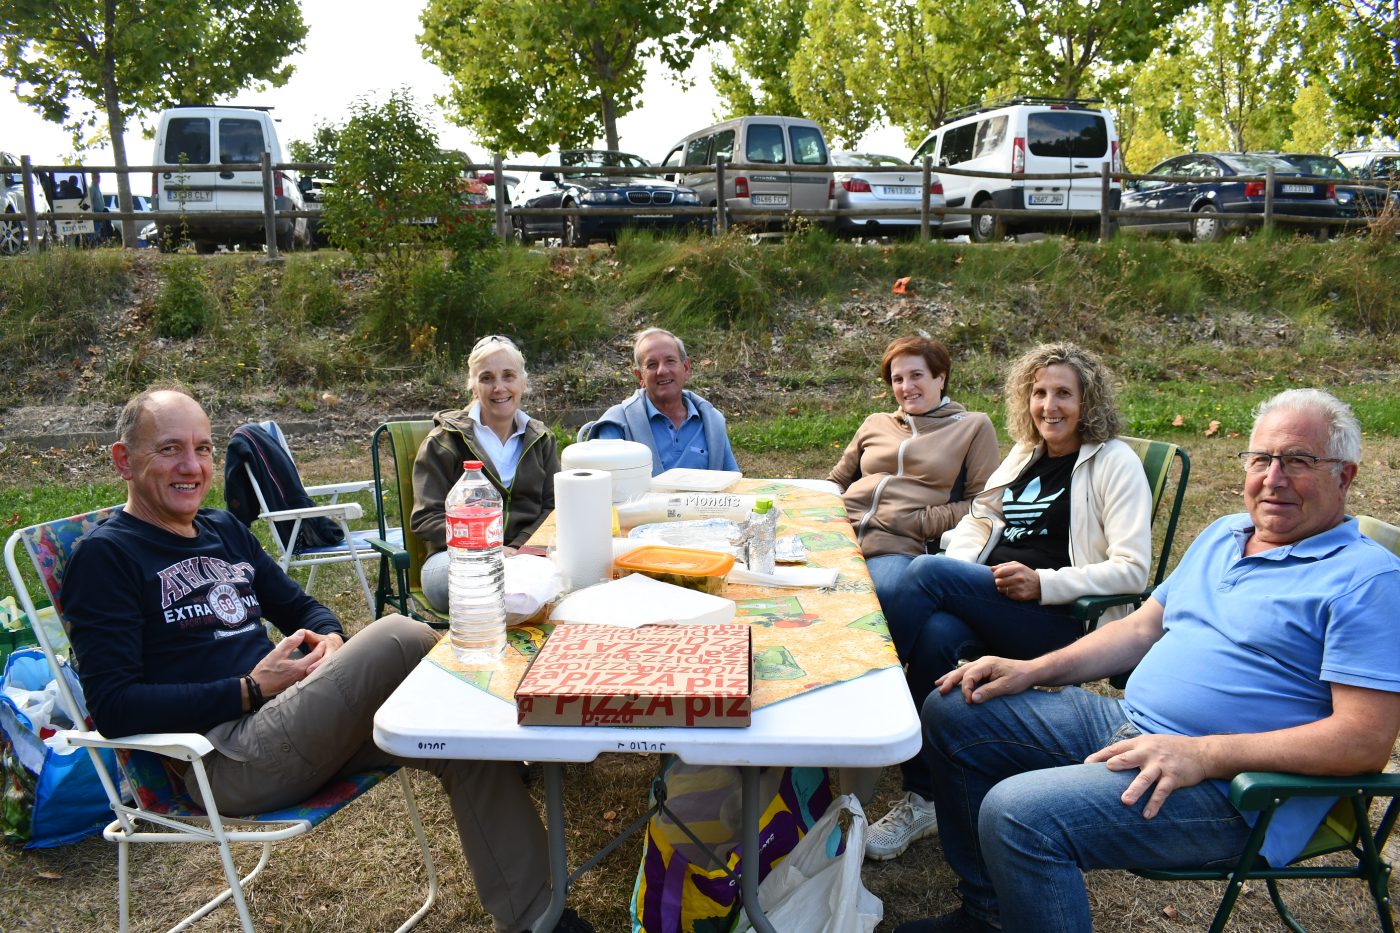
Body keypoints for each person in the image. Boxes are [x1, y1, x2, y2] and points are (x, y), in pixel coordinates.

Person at [62, 386, 592, 933]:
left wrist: (330, 638)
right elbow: (114, 707)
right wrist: (249, 689)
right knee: (400, 635)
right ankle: (528, 720)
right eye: (170, 449)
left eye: (203, 448)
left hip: (290, 720)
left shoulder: (221, 529)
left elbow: (303, 608)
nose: (192, 466)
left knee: (455, 735)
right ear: (123, 460)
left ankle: (540, 919)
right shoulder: (107, 557)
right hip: (226, 758)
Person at [896, 388, 1400, 933]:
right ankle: (992, 915)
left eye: (1298, 461)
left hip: (1236, 789)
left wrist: (1203, 755)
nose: (1273, 479)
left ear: (1344, 477)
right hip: (1133, 729)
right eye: (1261, 458)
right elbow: (1141, 628)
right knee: (955, 708)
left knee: (1017, 814)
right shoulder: (1226, 534)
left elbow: (1363, 741)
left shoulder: (1367, 582)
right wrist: (1030, 670)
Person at [868, 342, 1152, 861]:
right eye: (1039, 393)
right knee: (935, 636)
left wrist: (1043, 582)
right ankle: (924, 795)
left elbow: (1133, 568)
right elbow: (978, 520)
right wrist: (966, 574)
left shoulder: (1115, 463)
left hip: (1060, 621)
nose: (1049, 406)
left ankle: (868, 700)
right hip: (996, 597)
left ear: (1088, 401)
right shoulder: (1025, 454)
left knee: (925, 570)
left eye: (1064, 393)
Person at [828, 335, 1001, 603]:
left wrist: (917, 522)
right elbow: (835, 483)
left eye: (916, 375)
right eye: (898, 379)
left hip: (896, 548)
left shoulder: (972, 426)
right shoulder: (876, 422)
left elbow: (983, 505)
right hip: (838, 537)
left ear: (940, 378)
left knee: (879, 597)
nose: (907, 387)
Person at [412, 335, 561, 613]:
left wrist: (518, 549)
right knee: (484, 581)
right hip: (456, 560)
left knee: (578, 573)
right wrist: (490, 549)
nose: (499, 387)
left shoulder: (541, 439)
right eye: (487, 378)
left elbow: (552, 509)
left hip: (528, 556)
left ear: (523, 383)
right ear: (473, 387)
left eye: (508, 376)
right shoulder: (444, 441)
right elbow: (425, 518)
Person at [583, 327, 740, 475]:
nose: (662, 371)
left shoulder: (711, 421)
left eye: (670, 361)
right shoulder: (617, 423)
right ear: (640, 377)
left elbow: (734, 483)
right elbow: (603, 488)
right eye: (652, 365)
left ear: (686, 368)